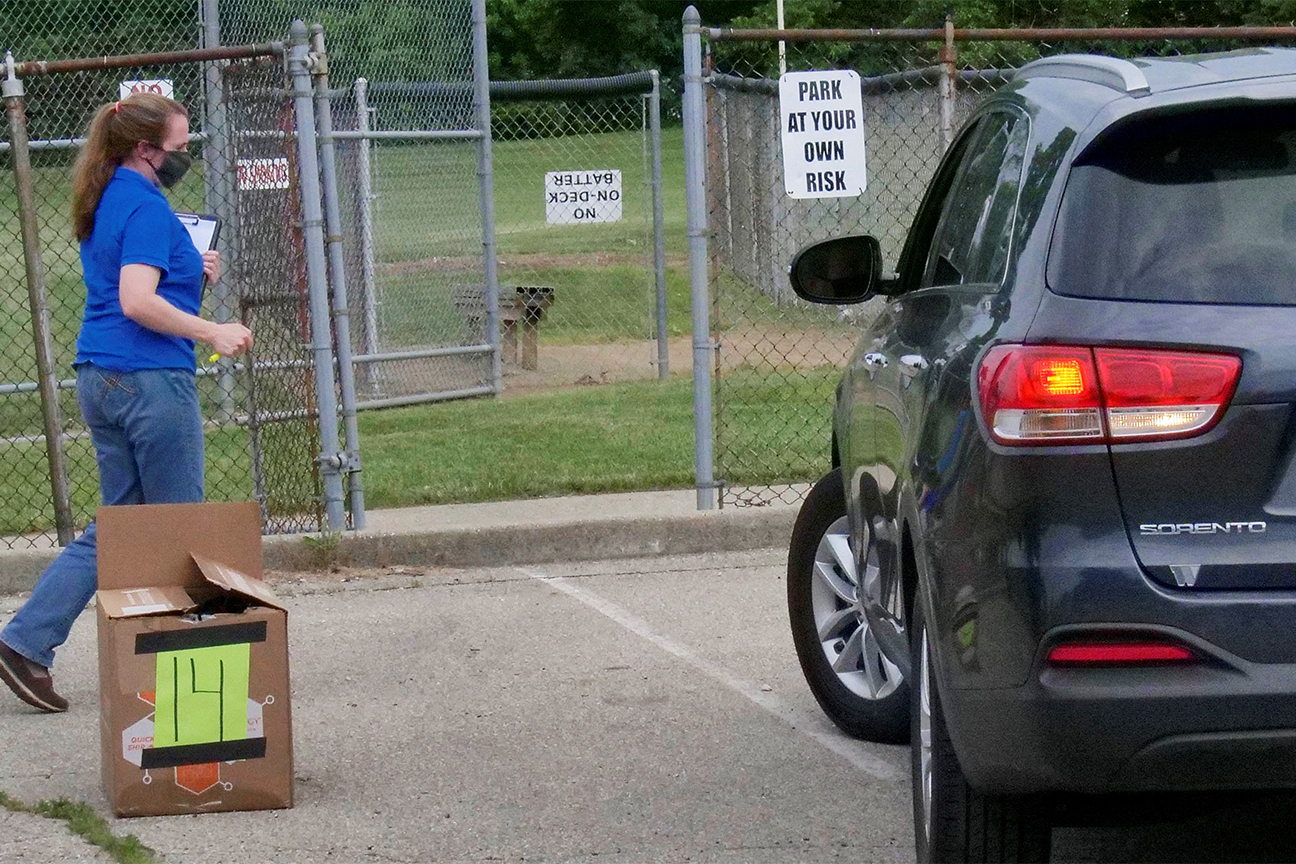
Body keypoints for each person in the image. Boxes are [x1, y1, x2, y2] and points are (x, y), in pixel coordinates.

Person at [0, 93, 253, 713]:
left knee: (123, 522)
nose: (185, 156)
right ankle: (190, 686)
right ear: (146, 149)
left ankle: (25, 642)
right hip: (149, 381)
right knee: (177, 525)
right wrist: (212, 331)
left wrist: (190, 270)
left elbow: (131, 283)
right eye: (179, 147)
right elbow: (138, 300)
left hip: (102, 374)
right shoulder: (144, 205)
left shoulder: (109, 192)